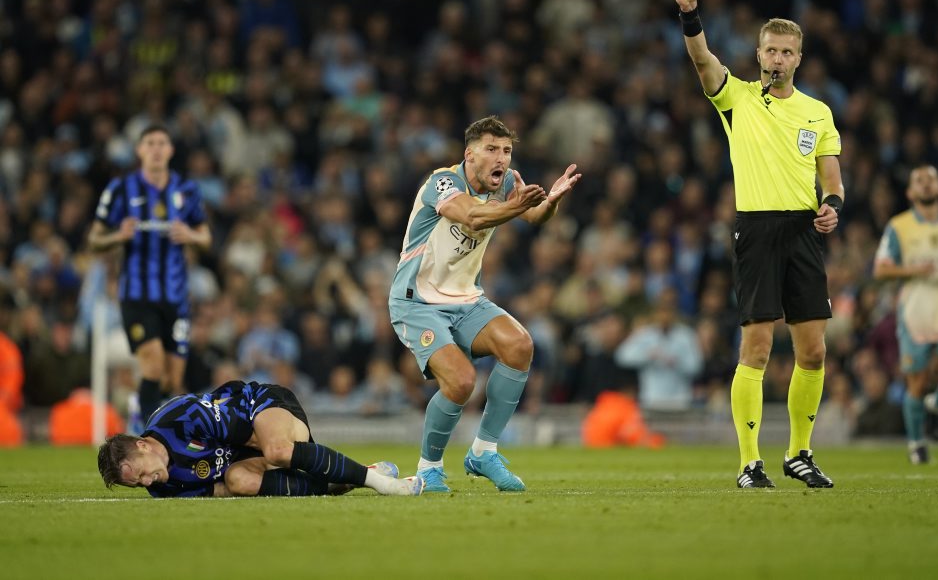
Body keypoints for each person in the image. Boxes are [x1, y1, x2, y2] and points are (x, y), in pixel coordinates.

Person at [672, 0, 844, 488]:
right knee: (758, 351)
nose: (776, 59)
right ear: (758, 53)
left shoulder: (818, 112)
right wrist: (690, 14)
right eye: (769, 50)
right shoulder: (738, 99)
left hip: (803, 233)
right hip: (757, 227)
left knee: (813, 351)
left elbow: (831, 179)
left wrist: (832, 206)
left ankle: (799, 453)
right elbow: (703, 62)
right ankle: (750, 462)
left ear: (798, 59)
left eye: (786, 52)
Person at [388, 115, 581, 492]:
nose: (502, 159)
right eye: (491, 150)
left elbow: (534, 216)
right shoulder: (442, 182)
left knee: (519, 344)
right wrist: (517, 207)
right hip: (417, 301)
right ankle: (429, 468)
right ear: (469, 154)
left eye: (506, 151)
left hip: (466, 299)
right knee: (460, 382)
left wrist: (551, 203)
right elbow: (473, 215)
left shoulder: (506, 182)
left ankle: (483, 452)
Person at [97, 379, 423, 498]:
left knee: (278, 449)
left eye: (140, 472)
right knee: (238, 481)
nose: (146, 482)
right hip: (246, 453)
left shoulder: (180, 419)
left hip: (261, 404)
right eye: (137, 485)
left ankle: (381, 484)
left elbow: (250, 434)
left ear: (142, 445)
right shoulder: (164, 487)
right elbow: (219, 489)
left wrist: (285, 457)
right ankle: (340, 481)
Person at [88, 124, 212, 427]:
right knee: (152, 363)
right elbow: (94, 239)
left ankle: (139, 406)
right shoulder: (121, 189)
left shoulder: (187, 190)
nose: (156, 148)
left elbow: (207, 237)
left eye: (162, 143)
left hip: (176, 296)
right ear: (139, 150)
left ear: (170, 151)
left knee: (172, 378)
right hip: (136, 295)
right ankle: (148, 434)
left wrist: (190, 236)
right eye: (150, 143)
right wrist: (119, 235)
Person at [874, 165, 938, 463]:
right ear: (910, 192)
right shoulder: (899, 226)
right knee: (915, 383)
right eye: (919, 181)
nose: (926, 184)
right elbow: (880, 269)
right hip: (915, 312)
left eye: (931, 179)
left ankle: (935, 402)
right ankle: (917, 444)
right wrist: (913, 269)